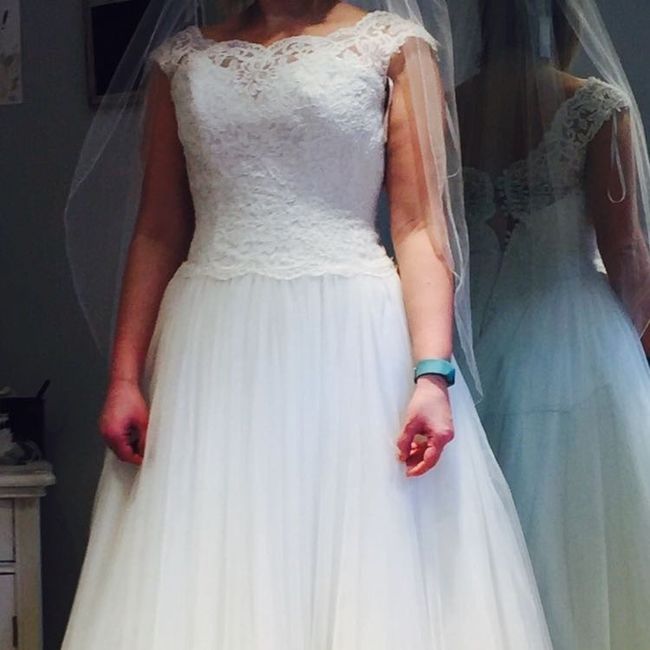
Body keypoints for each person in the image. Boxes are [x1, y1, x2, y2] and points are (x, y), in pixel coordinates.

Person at [61, 1, 553, 647]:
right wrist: (125, 376)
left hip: (351, 337)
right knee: (215, 549)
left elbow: (418, 225)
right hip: (212, 344)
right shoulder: (182, 61)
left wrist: (431, 374)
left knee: (364, 547)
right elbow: (157, 229)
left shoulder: (393, 48)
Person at [454, 0, 650, 647]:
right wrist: (635, 345)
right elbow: (625, 249)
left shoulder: (450, 108)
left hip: (472, 343)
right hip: (575, 342)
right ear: (566, 19)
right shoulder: (594, 107)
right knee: (583, 522)